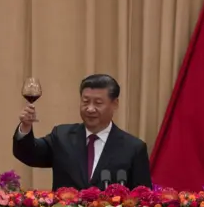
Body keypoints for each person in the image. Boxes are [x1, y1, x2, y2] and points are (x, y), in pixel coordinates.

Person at [13, 74, 151, 190]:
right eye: (85, 102)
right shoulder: (62, 136)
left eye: (98, 103)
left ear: (115, 104)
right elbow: (29, 154)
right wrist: (26, 126)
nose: (90, 109)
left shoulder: (133, 148)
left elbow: (142, 198)